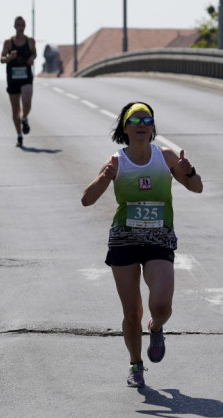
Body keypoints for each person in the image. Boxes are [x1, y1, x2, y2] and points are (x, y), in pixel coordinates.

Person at [81, 101, 203, 388]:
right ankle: (136, 364)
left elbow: (196, 187)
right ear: (125, 127)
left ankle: (157, 327)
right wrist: (104, 177)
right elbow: (87, 199)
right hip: (124, 238)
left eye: (146, 119)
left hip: (159, 237)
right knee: (132, 311)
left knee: (160, 305)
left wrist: (189, 170)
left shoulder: (167, 157)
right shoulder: (116, 161)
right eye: (134, 120)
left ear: (152, 127)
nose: (141, 125)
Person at [0, 16, 36, 147]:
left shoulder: (30, 41)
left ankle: (25, 118)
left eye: (22, 25)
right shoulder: (8, 42)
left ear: (24, 26)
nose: (20, 27)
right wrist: (10, 57)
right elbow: (2, 59)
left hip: (26, 76)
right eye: (18, 25)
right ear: (14, 26)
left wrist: (31, 58)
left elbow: (34, 54)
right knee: (15, 110)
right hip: (13, 78)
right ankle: (19, 135)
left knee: (27, 102)